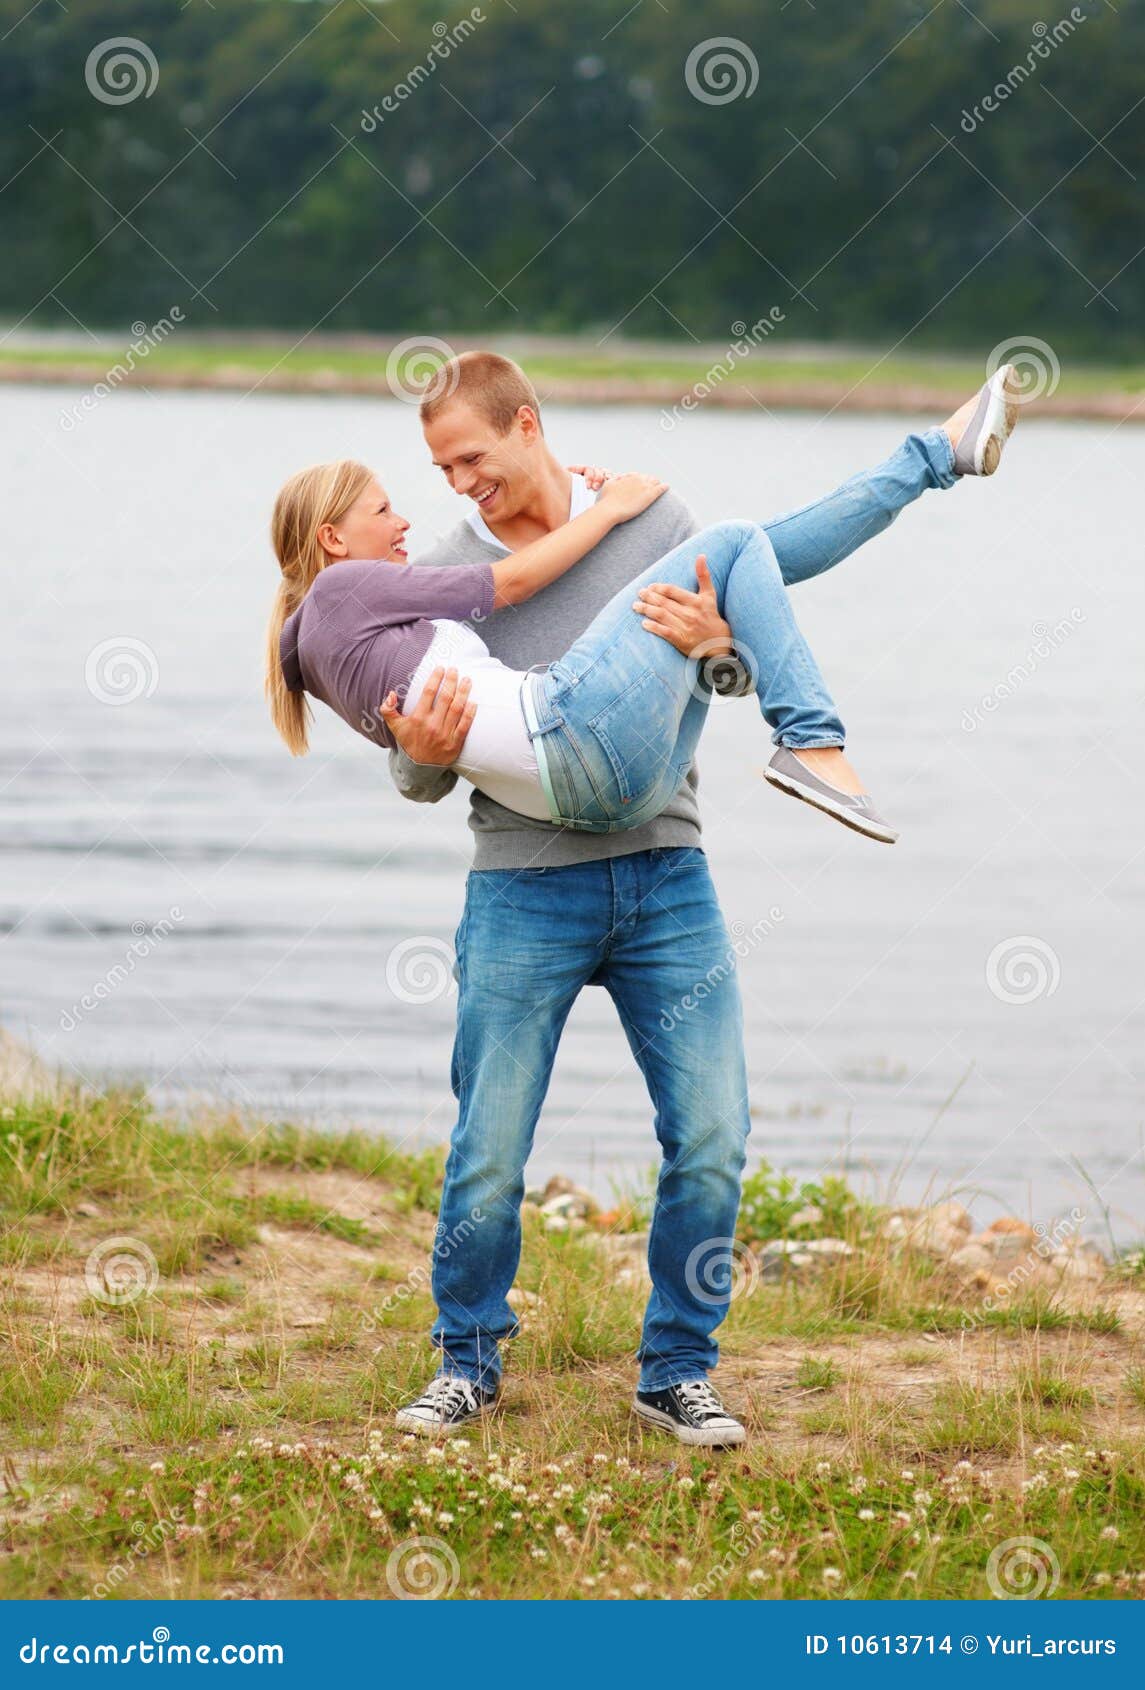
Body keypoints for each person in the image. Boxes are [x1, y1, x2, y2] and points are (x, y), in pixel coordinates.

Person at [265, 352, 1020, 1445]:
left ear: (526, 425)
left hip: (664, 867)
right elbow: (416, 759)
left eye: (468, 459)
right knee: (489, 1141)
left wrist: (717, 653)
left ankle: (675, 1369)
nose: (454, 487)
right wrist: (421, 754)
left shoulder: (651, 522)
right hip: (523, 883)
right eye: (436, 471)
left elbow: (727, 666)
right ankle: (463, 1363)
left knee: (711, 1133)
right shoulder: (435, 565)